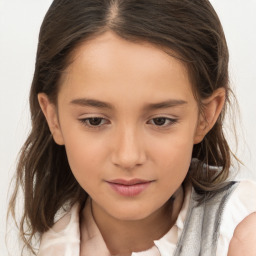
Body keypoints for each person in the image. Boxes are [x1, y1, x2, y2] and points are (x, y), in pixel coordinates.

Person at [8, 0, 256, 255]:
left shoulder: (243, 237)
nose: (128, 157)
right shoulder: (53, 245)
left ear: (206, 115)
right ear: (53, 118)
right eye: (94, 120)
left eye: (161, 121)